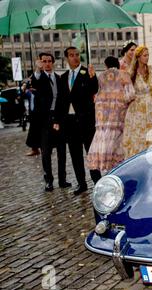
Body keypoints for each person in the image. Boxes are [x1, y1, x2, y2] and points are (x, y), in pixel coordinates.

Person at [55, 47, 99, 195]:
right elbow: (60, 101)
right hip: (70, 122)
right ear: (66, 58)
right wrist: (57, 120)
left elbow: (95, 90)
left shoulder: (87, 72)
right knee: (75, 154)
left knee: (91, 153)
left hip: (86, 121)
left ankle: (97, 182)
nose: (75, 58)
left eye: (77, 55)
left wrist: (93, 78)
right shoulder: (63, 77)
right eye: (71, 55)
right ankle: (81, 183)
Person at [87, 57, 135, 183]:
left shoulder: (101, 76)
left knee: (102, 144)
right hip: (119, 116)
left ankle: (103, 174)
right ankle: (119, 174)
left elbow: (96, 96)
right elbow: (130, 94)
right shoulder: (124, 75)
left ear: (105, 65)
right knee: (118, 145)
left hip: (103, 119)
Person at [31, 52, 71, 192]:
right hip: (44, 120)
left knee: (61, 151)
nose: (47, 63)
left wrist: (60, 119)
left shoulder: (59, 78)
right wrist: (37, 69)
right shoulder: (39, 78)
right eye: (44, 61)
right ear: (40, 62)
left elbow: (64, 100)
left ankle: (62, 179)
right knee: (46, 152)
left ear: (53, 62)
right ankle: (49, 181)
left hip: (58, 117)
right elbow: (34, 80)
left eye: (49, 61)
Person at [122, 46, 152, 158]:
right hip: (136, 109)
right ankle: (137, 159)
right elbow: (126, 93)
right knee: (138, 136)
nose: (147, 58)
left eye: (148, 55)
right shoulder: (131, 72)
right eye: (145, 55)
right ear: (138, 57)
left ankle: (151, 158)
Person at [24, 81, 41, 156]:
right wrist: (24, 89)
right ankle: (35, 149)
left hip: (40, 115)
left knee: (40, 132)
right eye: (30, 87)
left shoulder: (39, 93)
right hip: (33, 115)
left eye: (32, 87)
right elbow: (23, 95)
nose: (31, 89)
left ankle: (43, 148)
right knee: (33, 133)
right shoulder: (29, 94)